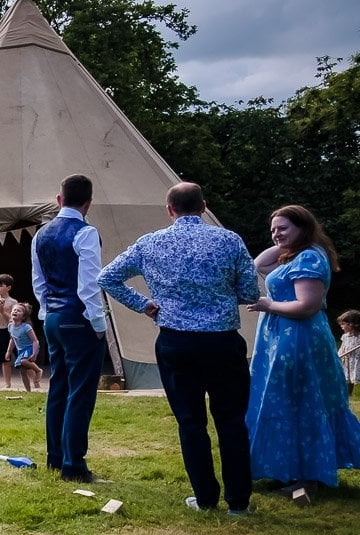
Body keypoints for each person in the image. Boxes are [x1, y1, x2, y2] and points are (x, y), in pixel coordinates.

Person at [98, 182, 259, 514]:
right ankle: (238, 503)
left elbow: (108, 277)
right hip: (223, 341)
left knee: (190, 422)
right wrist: (221, 295)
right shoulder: (229, 240)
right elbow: (250, 293)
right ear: (204, 206)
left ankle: (204, 498)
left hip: (176, 342)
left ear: (169, 209)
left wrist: (144, 304)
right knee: (231, 421)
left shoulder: (150, 243)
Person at [245, 204, 360, 494]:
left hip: (298, 340)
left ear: (304, 227)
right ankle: (290, 470)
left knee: (303, 403)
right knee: (286, 402)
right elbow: (258, 264)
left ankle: (309, 476)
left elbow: (306, 306)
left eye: (283, 228)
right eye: (273, 229)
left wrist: (268, 304)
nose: (276, 234)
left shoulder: (309, 257)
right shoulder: (297, 255)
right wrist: (284, 240)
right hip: (283, 340)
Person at [31, 174, 107, 483]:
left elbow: (38, 281)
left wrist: (47, 311)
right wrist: (98, 323)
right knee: (81, 392)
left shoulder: (40, 235)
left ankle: (55, 457)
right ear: (89, 203)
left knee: (58, 388)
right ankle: (74, 464)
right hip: (79, 318)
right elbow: (90, 285)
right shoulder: (86, 233)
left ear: (59, 199)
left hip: (52, 318)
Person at [6, 302, 44, 392]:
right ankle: (28, 391)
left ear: (23, 317)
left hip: (30, 347)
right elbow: (12, 339)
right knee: (22, 371)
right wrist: (8, 351)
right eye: (14, 310)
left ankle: (38, 370)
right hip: (21, 350)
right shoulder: (10, 326)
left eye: (18, 311)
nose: (15, 311)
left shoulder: (26, 327)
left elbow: (35, 341)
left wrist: (35, 354)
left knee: (23, 361)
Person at [337, 309, 360, 396]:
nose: (341, 326)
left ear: (352, 324)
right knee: (347, 377)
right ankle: (348, 394)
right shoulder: (345, 336)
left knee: (355, 376)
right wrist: (338, 356)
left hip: (356, 361)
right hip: (347, 361)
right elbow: (343, 348)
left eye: (343, 324)